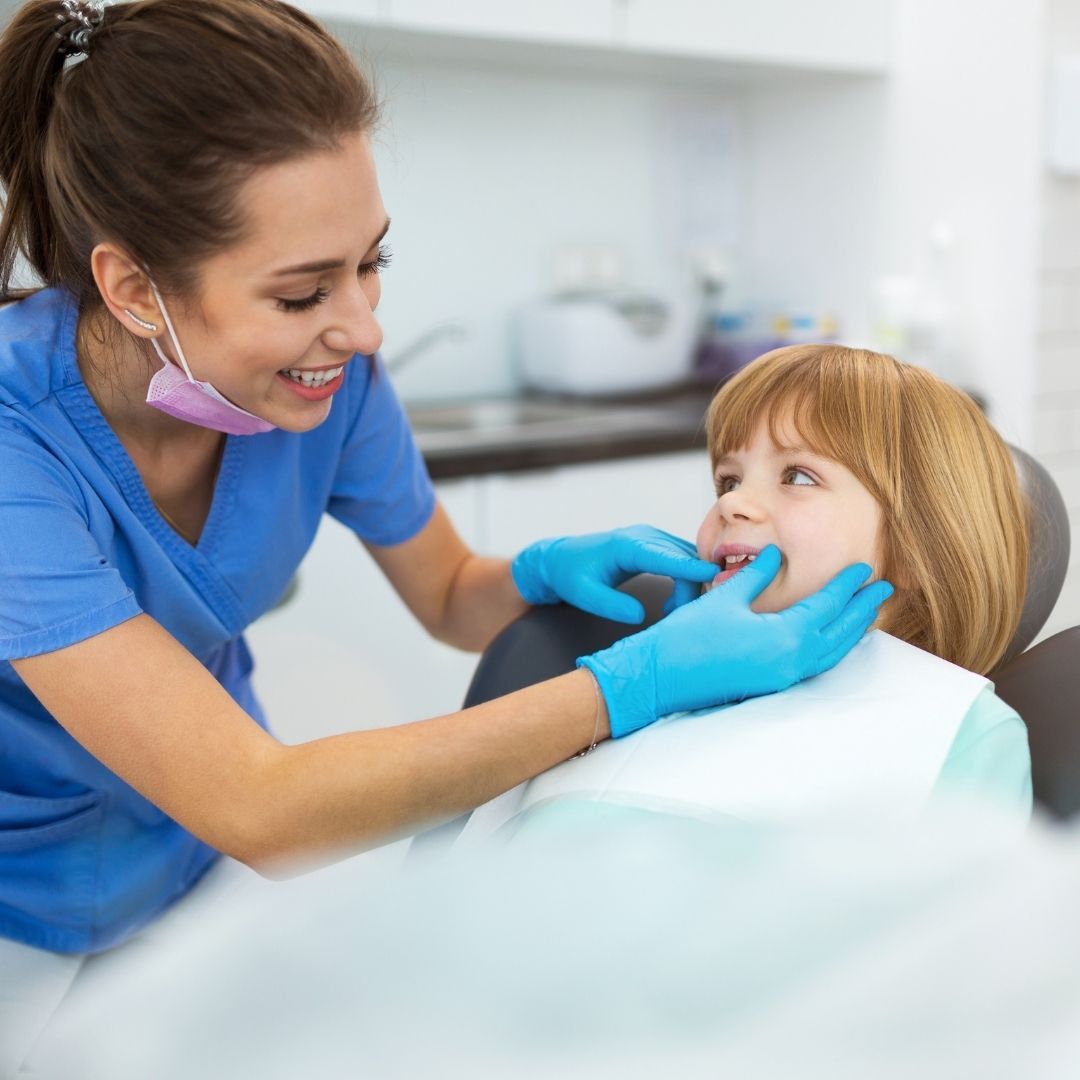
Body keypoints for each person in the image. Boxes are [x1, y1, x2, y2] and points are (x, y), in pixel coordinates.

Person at [0, 1, 892, 1068]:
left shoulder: (328, 384)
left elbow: (450, 593)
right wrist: (634, 686)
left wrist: (547, 576)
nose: (362, 326)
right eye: (302, 292)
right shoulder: (18, 454)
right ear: (136, 289)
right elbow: (260, 805)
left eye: (372, 263)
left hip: (185, 865)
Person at [462, 344, 1033, 844]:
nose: (730, 504)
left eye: (798, 477)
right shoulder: (662, 682)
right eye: (729, 480)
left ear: (918, 546)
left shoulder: (954, 732)